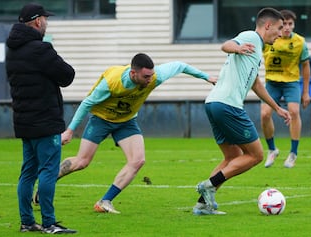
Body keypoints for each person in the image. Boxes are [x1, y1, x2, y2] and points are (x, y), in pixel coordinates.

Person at [47, 53, 217, 214]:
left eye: (151, 76)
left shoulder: (155, 76)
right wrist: (69, 131)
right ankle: (48, 182)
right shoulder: (112, 82)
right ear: (133, 73)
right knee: (82, 161)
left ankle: (105, 201)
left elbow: (181, 65)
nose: (150, 80)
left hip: (126, 122)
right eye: (145, 77)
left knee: (137, 160)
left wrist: (206, 77)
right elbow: (86, 104)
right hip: (101, 119)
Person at [193, 7, 291, 215]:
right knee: (256, 155)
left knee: (232, 156)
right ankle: (210, 185)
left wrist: (277, 108)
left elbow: (256, 85)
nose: (281, 33)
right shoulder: (251, 37)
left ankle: (202, 205)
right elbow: (226, 45)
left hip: (214, 104)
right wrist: (236, 48)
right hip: (228, 105)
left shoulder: (258, 52)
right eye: (280, 28)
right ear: (268, 25)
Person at [5, 3, 77, 234]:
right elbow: (67, 75)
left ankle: (27, 222)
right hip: (45, 121)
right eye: (45, 19)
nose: (47, 22)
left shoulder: (13, 50)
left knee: (28, 172)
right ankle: (49, 223)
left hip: (24, 122)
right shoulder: (41, 49)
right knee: (48, 170)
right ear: (37, 21)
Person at [261, 9, 311, 168]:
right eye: (285, 25)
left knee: (294, 112)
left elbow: (306, 67)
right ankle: (272, 150)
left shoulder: (300, 42)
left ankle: (293, 153)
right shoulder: (269, 39)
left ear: (294, 25)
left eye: (291, 24)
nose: (287, 27)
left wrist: (305, 92)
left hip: (291, 83)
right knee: (264, 114)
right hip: (272, 83)